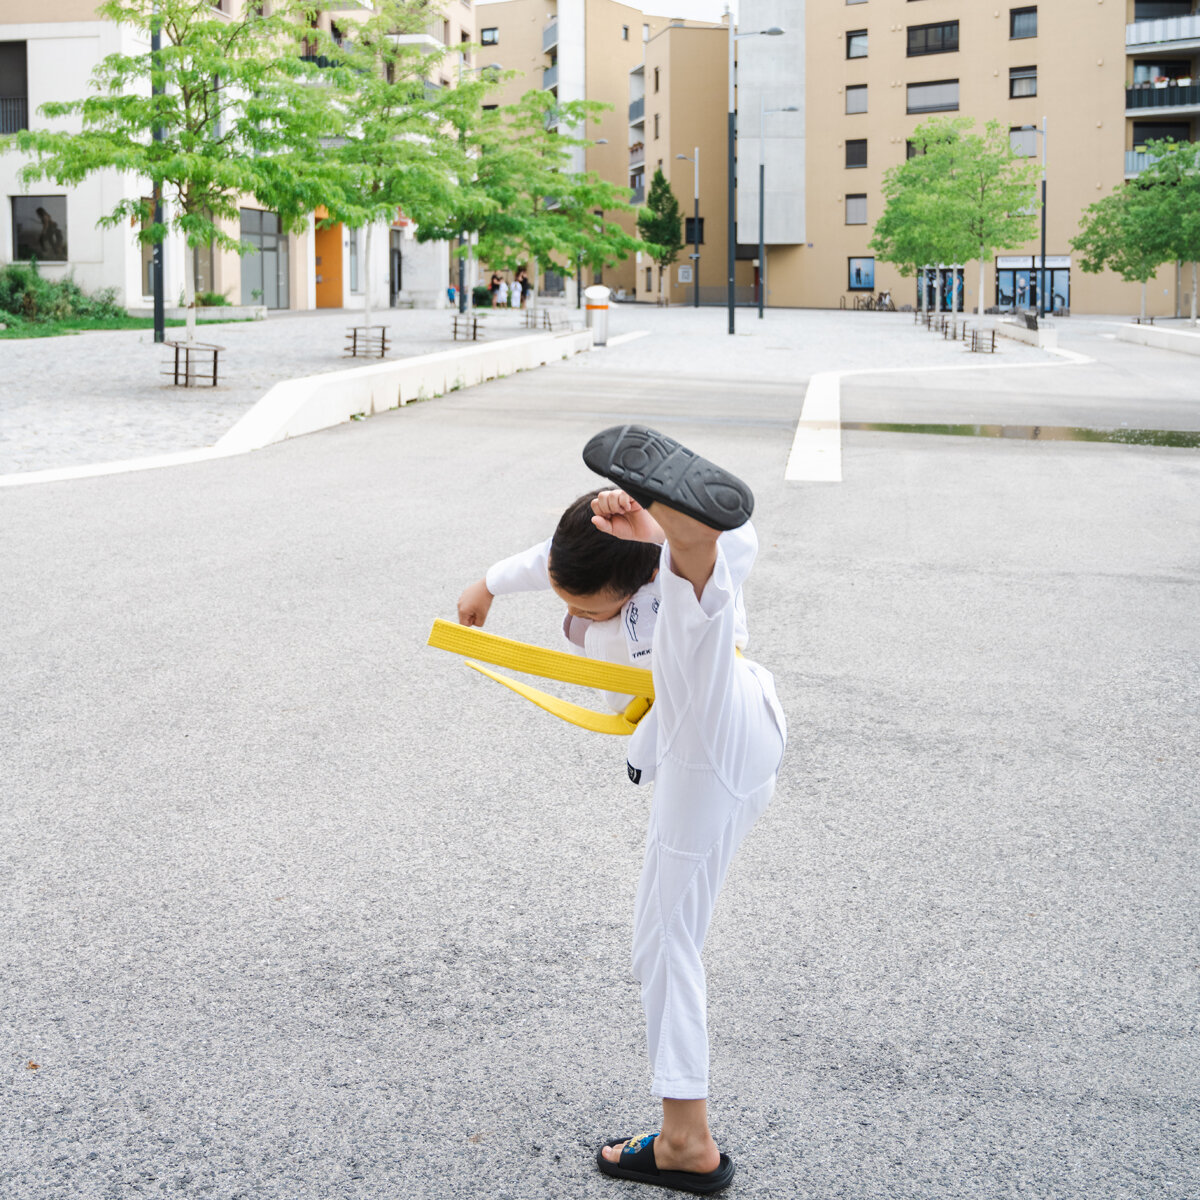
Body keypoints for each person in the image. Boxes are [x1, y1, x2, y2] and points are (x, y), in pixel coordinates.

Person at [456, 426, 786, 1195]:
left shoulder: (656, 587)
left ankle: (686, 1142)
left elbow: (738, 548)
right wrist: (488, 584)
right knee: (671, 928)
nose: (570, 609)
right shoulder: (605, 566)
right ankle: (687, 537)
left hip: (704, 725)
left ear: (631, 579)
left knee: (665, 938)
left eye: (582, 605)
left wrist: (663, 538)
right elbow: (551, 558)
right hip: (746, 729)